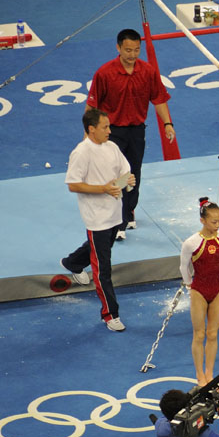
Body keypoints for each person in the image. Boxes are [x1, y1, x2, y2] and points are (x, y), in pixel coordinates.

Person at [87, 28, 174, 241]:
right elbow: (92, 106)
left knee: (133, 173)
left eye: (136, 50)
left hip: (136, 130)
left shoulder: (148, 71)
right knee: (115, 174)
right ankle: (119, 219)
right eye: (127, 50)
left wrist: (168, 124)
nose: (132, 55)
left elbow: (159, 99)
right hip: (111, 132)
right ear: (118, 48)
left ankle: (129, 209)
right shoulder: (104, 73)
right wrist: (88, 135)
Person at [60, 107, 134, 332]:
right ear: (91, 129)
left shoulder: (111, 147)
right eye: (105, 127)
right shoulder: (81, 152)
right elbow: (73, 184)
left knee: (98, 252)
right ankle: (110, 314)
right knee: (103, 268)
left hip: (114, 213)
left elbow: (125, 173)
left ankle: (72, 263)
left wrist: (125, 181)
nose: (109, 131)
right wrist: (103, 188)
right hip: (96, 218)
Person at [181, 198, 219, 387]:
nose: (217, 225)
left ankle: (209, 372)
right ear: (202, 220)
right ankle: (199, 373)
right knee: (199, 334)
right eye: (213, 221)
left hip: (218, 288)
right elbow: (183, 266)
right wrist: (189, 284)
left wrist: (216, 279)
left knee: (212, 334)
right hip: (199, 290)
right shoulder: (191, 243)